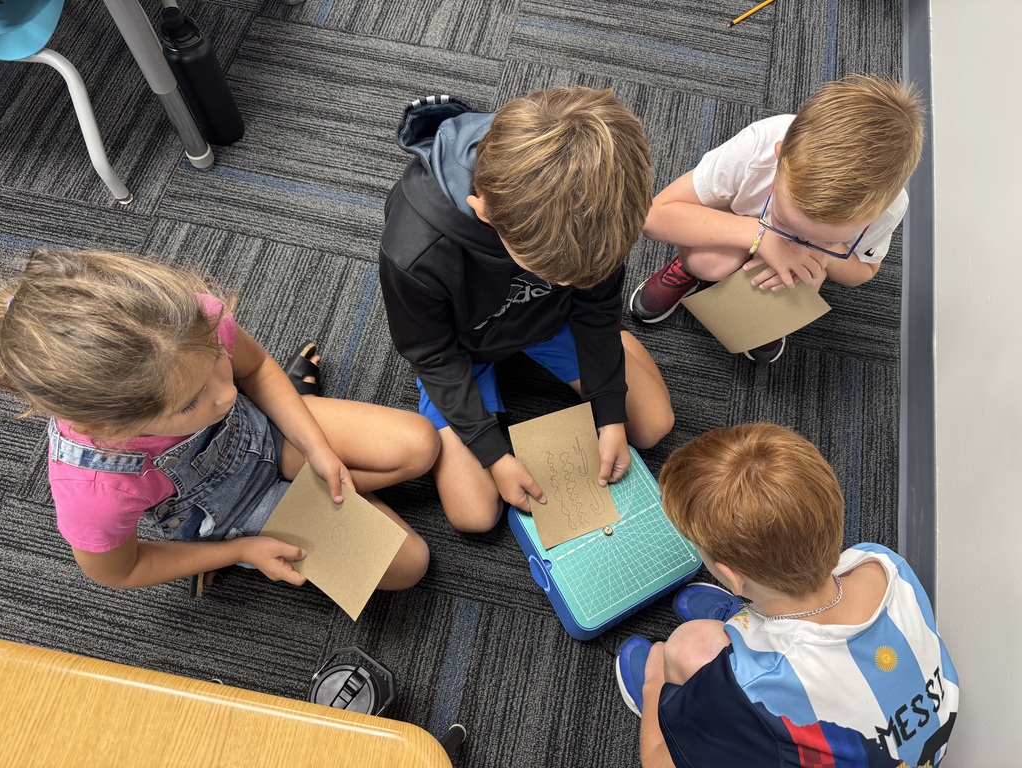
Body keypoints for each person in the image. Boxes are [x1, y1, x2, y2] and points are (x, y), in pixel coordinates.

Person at [0, 249, 437, 592]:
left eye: (215, 361)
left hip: (263, 432)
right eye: (190, 404)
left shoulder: (187, 323)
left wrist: (315, 447)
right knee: (410, 565)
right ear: (114, 429)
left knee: (420, 446)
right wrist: (239, 550)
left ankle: (302, 476)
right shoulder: (95, 490)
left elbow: (256, 369)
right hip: (231, 513)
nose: (228, 393)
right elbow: (120, 570)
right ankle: (256, 539)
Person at [379, 86, 675, 532]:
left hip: (549, 324)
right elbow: (431, 354)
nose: (566, 283)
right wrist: (493, 453)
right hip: (463, 348)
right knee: (474, 515)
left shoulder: (602, 208)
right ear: (484, 213)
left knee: (652, 426)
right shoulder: (415, 251)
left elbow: (595, 307)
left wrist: (609, 409)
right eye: (553, 272)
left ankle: (618, 348)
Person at [615, 423, 958, 767]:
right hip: (923, 747)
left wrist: (654, 681)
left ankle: (673, 704)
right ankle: (762, 616)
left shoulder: (750, 687)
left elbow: (656, 762)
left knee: (683, 648)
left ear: (733, 577)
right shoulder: (882, 562)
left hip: (784, 709)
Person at [630, 74, 925, 363]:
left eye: (827, 238)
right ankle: (688, 269)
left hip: (797, 264)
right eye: (785, 221)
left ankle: (767, 314)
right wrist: (761, 236)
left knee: (801, 282)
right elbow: (654, 216)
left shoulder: (889, 207)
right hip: (740, 224)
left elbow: (864, 270)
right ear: (780, 156)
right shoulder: (758, 147)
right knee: (707, 262)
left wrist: (818, 257)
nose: (796, 241)